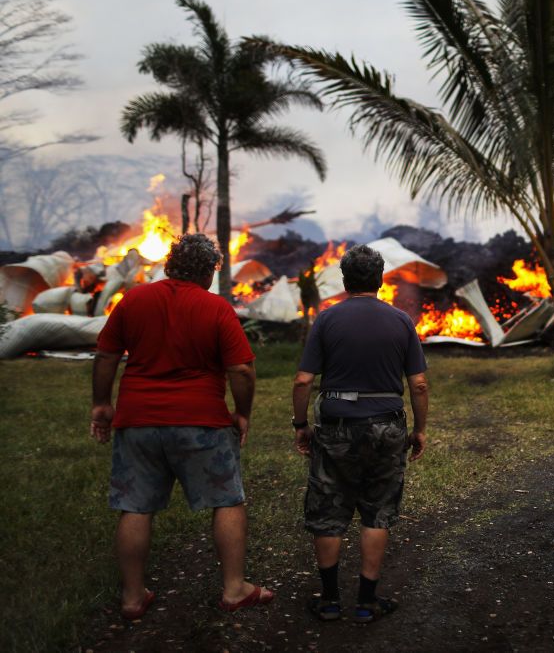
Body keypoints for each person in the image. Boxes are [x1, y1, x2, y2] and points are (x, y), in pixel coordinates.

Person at [90, 234, 271, 620]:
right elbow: (240, 368)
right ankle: (234, 589)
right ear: (209, 272)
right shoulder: (216, 307)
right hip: (201, 421)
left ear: (170, 265)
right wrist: (242, 412)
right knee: (226, 500)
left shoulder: (134, 300)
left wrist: (103, 403)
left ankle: (133, 597)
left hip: (137, 421)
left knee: (135, 507)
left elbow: (106, 355)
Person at [292, 244, 429, 623]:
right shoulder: (401, 322)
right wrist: (419, 430)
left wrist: (301, 424)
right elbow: (418, 385)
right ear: (380, 279)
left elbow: (304, 379)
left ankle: (331, 600)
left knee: (328, 510)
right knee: (377, 510)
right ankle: (367, 602)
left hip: (335, 426)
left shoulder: (327, 320)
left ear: (345, 279)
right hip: (387, 427)